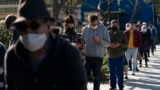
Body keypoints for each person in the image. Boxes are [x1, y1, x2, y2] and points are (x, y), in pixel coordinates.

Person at [4, 0, 87, 90]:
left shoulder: (68, 54)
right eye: (22, 27)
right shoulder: (12, 57)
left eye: (34, 25)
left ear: (48, 25)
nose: (28, 31)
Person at [82, 14, 110, 90]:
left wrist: (99, 40)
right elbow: (82, 41)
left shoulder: (103, 29)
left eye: (94, 23)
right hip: (87, 56)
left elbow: (108, 44)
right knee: (85, 77)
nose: (93, 25)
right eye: (91, 23)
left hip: (98, 57)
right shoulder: (85, 29)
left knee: (96, 77)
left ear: (97, 21)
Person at [107, 20, 128, 90]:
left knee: (120, 73)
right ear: (111, 25)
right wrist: (110, 45)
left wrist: (119, 45)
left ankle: (121, 86)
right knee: (112, 73)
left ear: (118, 25)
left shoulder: (122, 34)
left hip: (119, 56)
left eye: (115, 25)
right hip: (111, 57)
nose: (114, 26)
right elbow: (104, 43)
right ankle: (113, 86)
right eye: (113, 25)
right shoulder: (107, 34)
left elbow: (126, 44)